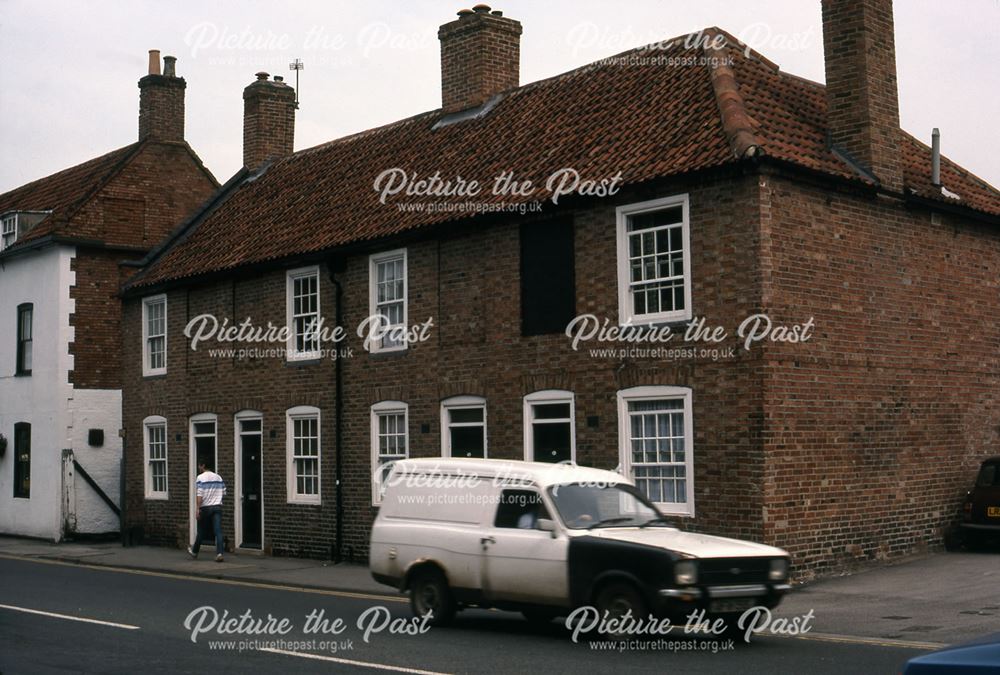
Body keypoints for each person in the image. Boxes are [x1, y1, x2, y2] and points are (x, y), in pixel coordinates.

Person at [187, 461, 227, 562]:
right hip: (217, 506)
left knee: (201, 531)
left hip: (205, 507)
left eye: (199, 465)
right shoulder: (218, 477)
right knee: (218, 531)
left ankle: (195, 552)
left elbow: (199, 495)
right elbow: (224, 492)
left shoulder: (200, 478)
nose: (198, 467)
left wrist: (197, 509)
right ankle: (219, 553)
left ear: (203, 465)